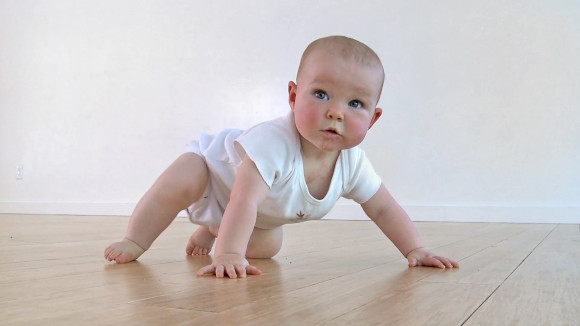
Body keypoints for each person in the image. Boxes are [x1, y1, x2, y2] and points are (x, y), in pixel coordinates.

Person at [104, 35, 459, 278]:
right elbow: (243, 199)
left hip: (251, 214)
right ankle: (136, 238)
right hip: (214, 174)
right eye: (321, 94)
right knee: (181, 180)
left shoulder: (352, 164)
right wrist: (227, 255)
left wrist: (416, 249)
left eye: (355, 104)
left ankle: (212, 229)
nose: (336, 112)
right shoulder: (274, 143)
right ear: (293, 96)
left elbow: (383, 208)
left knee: (267, 246)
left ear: (373, 118)